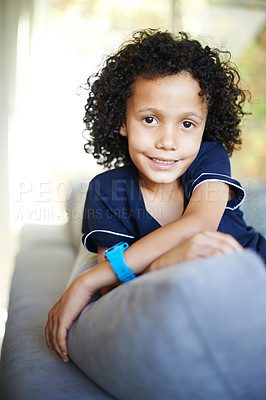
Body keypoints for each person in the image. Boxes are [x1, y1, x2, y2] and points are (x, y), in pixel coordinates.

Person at [45, 29, 266, 364]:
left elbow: (199, 224)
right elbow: (114, 293)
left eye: (188, 124)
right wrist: (163, 264)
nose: (168, 141)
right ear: (122, 120)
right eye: (150, 119)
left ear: (206, 126)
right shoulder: (107, 191)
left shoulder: (208, 157)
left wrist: (87, 280)